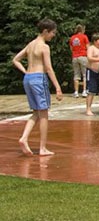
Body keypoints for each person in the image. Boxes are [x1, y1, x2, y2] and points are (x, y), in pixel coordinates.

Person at [13, 18, 64, 156]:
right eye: (52, 32)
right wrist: (58, 87)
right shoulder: (44, 47)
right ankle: (42, 148)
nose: (53, 35)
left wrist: (25, 72)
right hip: (39, 79)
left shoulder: (31, 44)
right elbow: (48, 68)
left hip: (28, 78)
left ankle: (24, 138)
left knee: (36, 111)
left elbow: (15, 60)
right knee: (44, 113)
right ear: (45, 31)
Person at [68, 24, 89, 98]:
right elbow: (87, 47)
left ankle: (76, 92)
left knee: (76, 74)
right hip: (83, 56)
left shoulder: (72, 38)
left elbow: (71, 48)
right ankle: (84, 91)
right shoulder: (84, 37)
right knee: (84, 74)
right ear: (82, 30)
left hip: (75, 57)